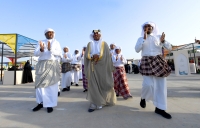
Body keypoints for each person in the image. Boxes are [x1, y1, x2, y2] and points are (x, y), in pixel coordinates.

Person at [135, 22, 172, 119]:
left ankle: (160, 108)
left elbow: (169, 47)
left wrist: (163, 41)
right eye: (145, 27)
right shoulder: (140, 38)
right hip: (146, 61)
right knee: (148, 84)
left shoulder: (159, 37)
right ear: (143, 29)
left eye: (149, 27)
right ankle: (143, 98)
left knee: (161, 86)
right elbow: (137, 49)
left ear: (153, 28)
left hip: (158, 61)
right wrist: (143, 39)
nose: (147, 28)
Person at [84, 29, 116, 112]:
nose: (96, 35)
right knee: (93, 84)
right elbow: (87, 54)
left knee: (103, 83)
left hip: (103, 67)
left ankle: (103, 101)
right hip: (92, 66)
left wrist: (98, 56)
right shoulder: (89, 44)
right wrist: (92, 56)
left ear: (100, 35)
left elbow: (106, 56)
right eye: (94, 34)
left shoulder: (104, 44)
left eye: (97, 34)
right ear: (92, 35)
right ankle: (96, 102)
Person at [32, 28, 62, 113]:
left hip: (52, 64)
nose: (50, 34)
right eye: (48, 33)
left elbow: (59, 53)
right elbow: (35, 53)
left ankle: (50, 105)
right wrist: (41, 50)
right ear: (45, 34)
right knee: (39, 85)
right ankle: (40, 103)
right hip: (42, 64)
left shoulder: (56, 42)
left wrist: (50, 49)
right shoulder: (40, 42)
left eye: (52, 32)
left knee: (51, 85)